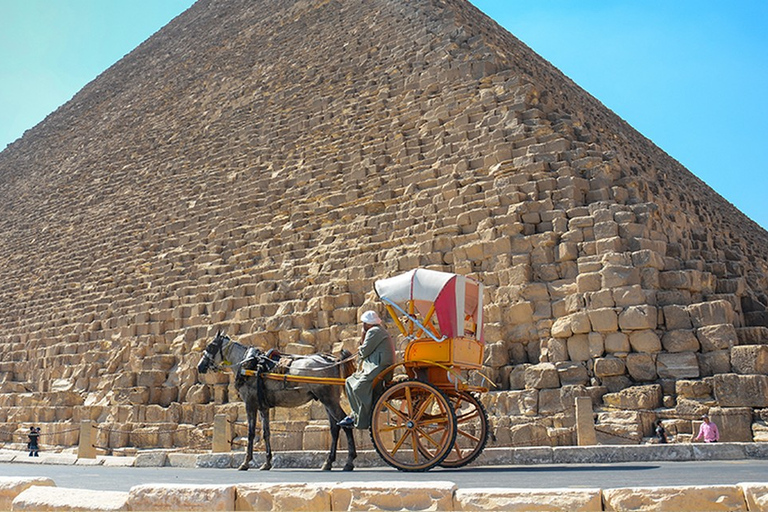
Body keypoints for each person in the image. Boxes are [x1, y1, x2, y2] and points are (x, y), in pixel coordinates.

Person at [338, 310, 396, 429]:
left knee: (359, 387)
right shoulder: (378, 330)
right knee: (349, 381)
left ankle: (363, 418)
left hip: (379, 366)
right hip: (378, 365)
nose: (362, 325)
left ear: (368, 324)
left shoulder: (373, 331)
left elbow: (364, 351)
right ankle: (355, 414)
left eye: (364, 323)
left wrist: (363, 336)